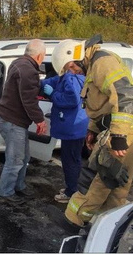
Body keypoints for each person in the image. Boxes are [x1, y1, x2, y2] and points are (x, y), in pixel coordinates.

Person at [61, 36, 133, 227]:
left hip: (124, 131)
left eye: (70, 67)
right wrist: (92, 131)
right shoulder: (93, 65)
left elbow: (124, 95)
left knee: (99, 178)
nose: (73, 72)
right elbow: (100, 104)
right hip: (123, 130)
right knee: (117, 182)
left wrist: (118, 136)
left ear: (76, 56)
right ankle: (109, 224)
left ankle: (73, 220)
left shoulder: (103, 62)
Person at [0, 39, 48, 205]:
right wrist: (40, 120)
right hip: (13, 122)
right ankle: (6, 193)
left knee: (24, 156)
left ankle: (19, 186)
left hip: (10, 119)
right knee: (16, 159)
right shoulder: (29, 71)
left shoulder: (19, 63)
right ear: (39, 56)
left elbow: (24, 90)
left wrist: (39, 85)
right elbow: (29, 100)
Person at [41, 39, 88, 203]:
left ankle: (71, 192)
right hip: (77, 126)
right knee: (74, 159)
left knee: (70, 161)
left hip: (72, 128)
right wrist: (40, 83)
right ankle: (74, 188)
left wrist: (52, 94)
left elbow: (72, 100)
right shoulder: (73, 76)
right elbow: (54, 81)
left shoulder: (71, 79)